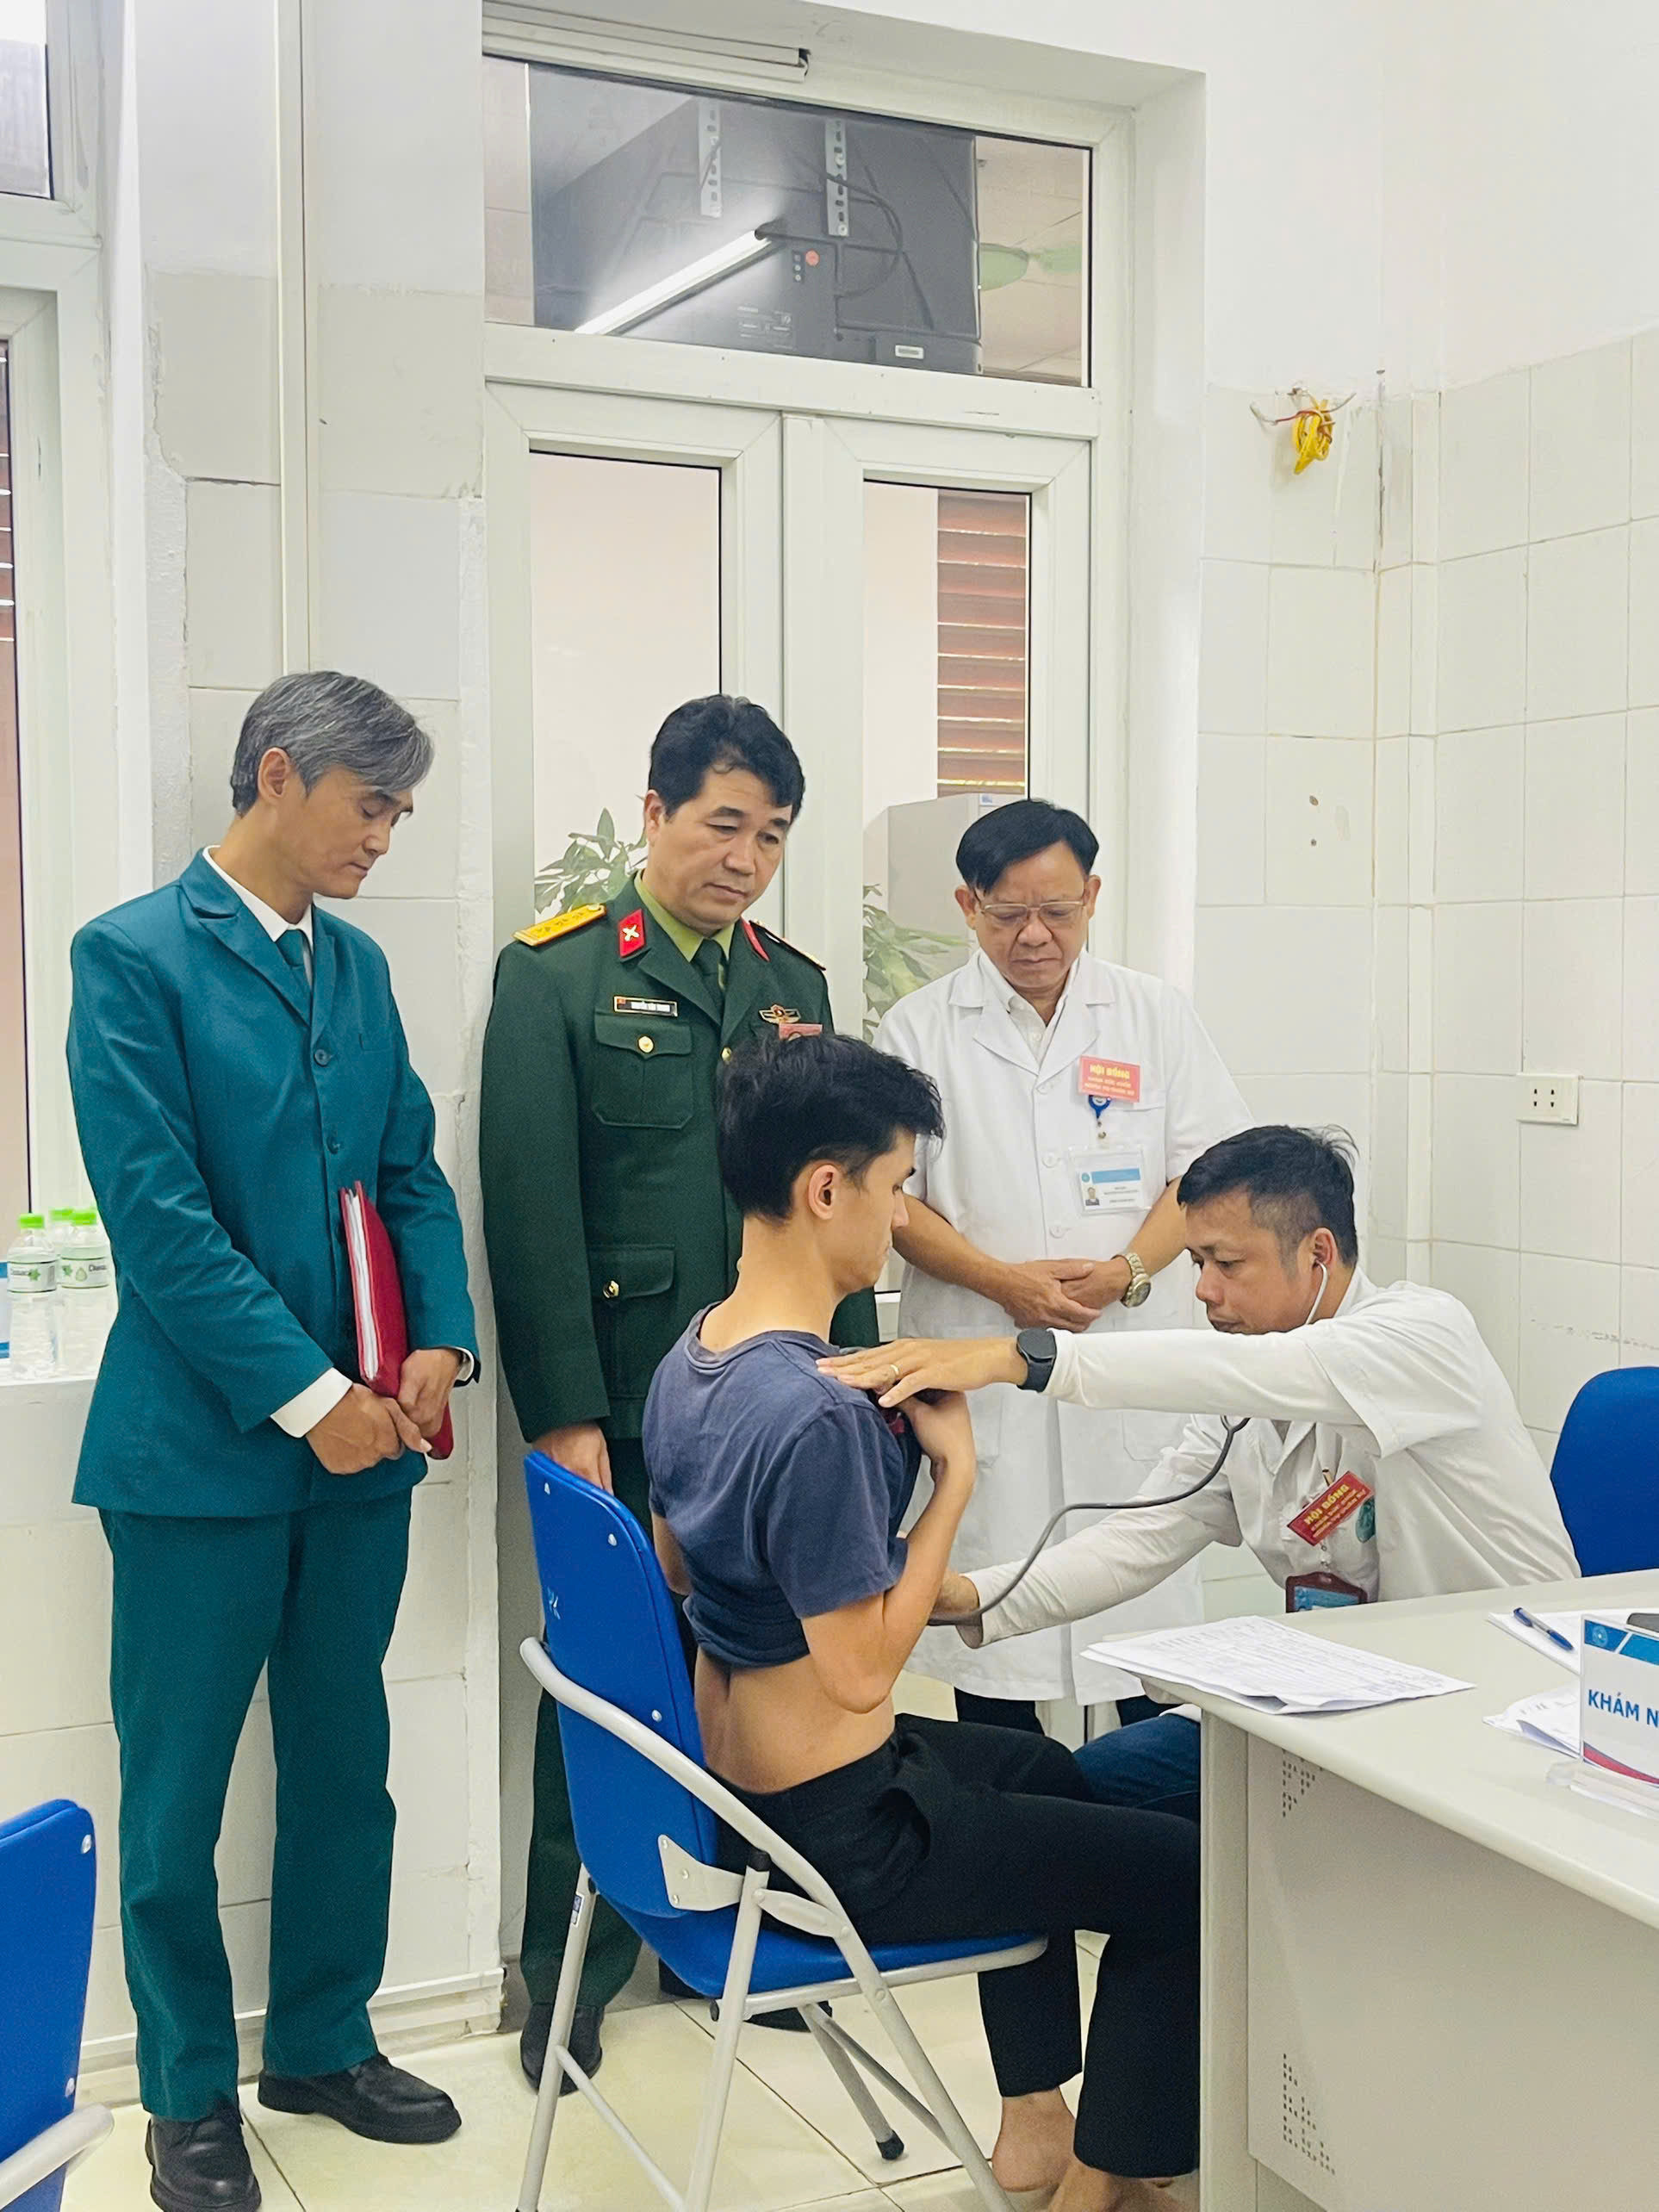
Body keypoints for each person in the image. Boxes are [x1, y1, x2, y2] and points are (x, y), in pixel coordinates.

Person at [645, 1035, 1200, 2212]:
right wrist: (951, 1479)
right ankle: (1108, 2183)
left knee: (1042, 1769)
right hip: (844, 1840)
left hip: (739, 1798)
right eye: (896, 1187)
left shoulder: (694, 1356)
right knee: (1195, 1881)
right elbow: (858, 1675)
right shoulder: (816, 1415)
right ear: (825, 1189)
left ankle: (1036, 2123)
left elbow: (680, 1570)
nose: (901, 1217)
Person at [66, 673, 478, 2212]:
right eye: (371, 806)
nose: (385, 837)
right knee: (175, 1797)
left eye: (401, 813)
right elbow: (161, 1227)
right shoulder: (131, 957)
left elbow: (408, 1172)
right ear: (280, 775)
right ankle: (186, 2092)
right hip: (198, 1461)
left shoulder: (355, 967)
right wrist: (317, 1399)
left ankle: (321, 2041)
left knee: (344, 1760)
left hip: (371, 1451)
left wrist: (437, 1343)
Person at [480, 694, 879, 2091]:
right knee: (610, 1684)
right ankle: (568, 1978)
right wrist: (563, 1413)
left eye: (770, 835)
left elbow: (841, 1205)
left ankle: (757, 1944)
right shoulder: (558, 979)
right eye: (722, 826)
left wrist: (863, 1388)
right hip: (633, 1407)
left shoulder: (792, 985)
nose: (744, 859)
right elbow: (531, 1210)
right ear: (653, 814)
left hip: (785, 1412)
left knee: (772, 1673)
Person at [823, 1125, 1579, 1824]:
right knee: (1075, 1791)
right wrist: (961, 1595)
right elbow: (1140, 1539)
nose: (1205, 1291)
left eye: (1228, 1264)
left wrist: (1012, 1357)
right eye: (1196, 1264)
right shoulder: (1241, 1406)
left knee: (1206, 1844)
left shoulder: (1424, 1337)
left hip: (1499, 1705)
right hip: (1340, 1699)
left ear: (1318, 1253)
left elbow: (1269, 1371)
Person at [873, 798, 1248, 1736]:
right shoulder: (918, 1031)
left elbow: (1207, 1174)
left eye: (1058, 911)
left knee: (1148, 1650)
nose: (1035, 935)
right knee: (990, 1644)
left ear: (1093, 897)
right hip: (982, 1354)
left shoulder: (1153, 1015)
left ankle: (1147, 1824)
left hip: (1124, 1352)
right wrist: (1003, 1283)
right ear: (968, 906)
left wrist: (1128, 1270)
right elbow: (894, 1200)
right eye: (1008, 914)